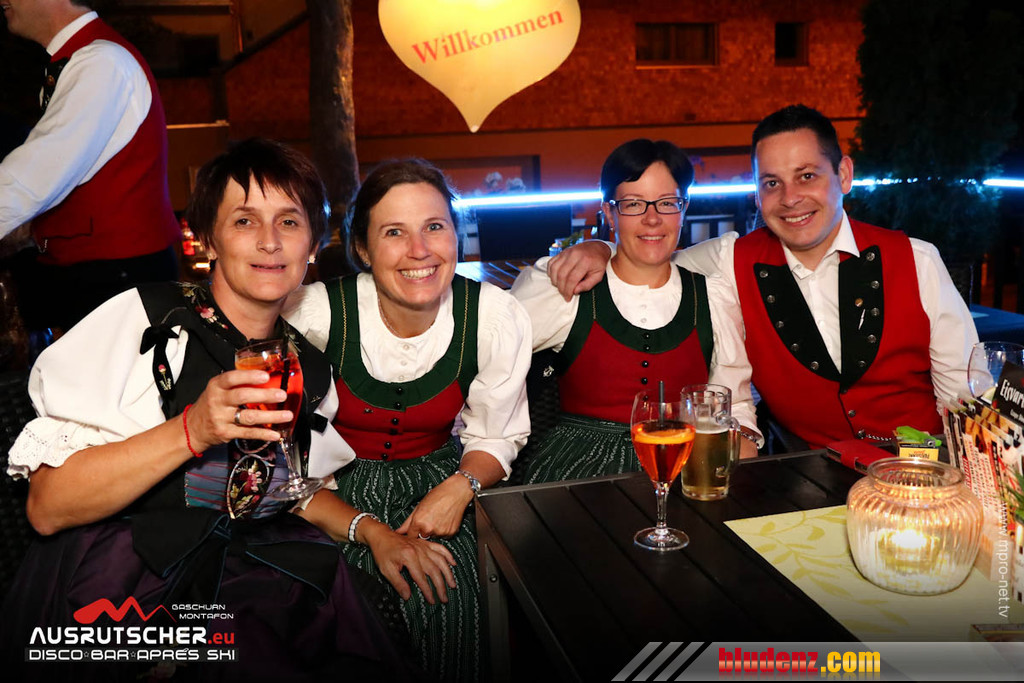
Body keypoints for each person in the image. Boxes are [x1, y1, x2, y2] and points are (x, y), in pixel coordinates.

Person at [0, 139, 441, 681]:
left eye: (288, 222)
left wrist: (374, 532)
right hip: (129, 583)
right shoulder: (148, 325)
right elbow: (47, 507)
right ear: (208, 238)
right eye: (244, 221)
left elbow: (289, 490)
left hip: (256, 572)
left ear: (312, 244)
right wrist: (192, 429)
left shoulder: (309, 367)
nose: (269, 241)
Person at [549, 105, 977, 449]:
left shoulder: (917, 260)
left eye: (806, 176)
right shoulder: (732, 261)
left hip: (922, 472)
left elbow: (966, 401)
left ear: (844, 175)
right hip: (806, 477)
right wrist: (601, 247)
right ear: (757, 192)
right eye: (772, 183)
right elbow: (650, 254)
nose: (790, 198)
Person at [284, 158, 532, 681]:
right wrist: (370, 531)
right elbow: (285, 466)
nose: (419, 250)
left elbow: (499, 434)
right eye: (394, 232)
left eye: (434, 227)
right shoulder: (314, 315)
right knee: (331, 605)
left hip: (437, 482)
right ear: (362, 248)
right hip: (330, 492)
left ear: (457, 236)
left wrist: (460, 487)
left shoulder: (492, 314)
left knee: (449, 592)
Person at [509, 139, 759, 484]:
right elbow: (490, 353)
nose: (652, 219)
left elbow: (735, 405)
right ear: (609, 212)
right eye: (633, 204)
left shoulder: (711, 297)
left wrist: (737, 452)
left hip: (683, 463)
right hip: (579, 471)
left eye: (667, 203)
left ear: (684, 209)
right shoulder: (568, 287)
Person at [0, 0, 180, 332]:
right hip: (104, 276)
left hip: (115, 280)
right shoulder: (88, 59)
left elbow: (32, 178)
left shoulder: (100, 63)